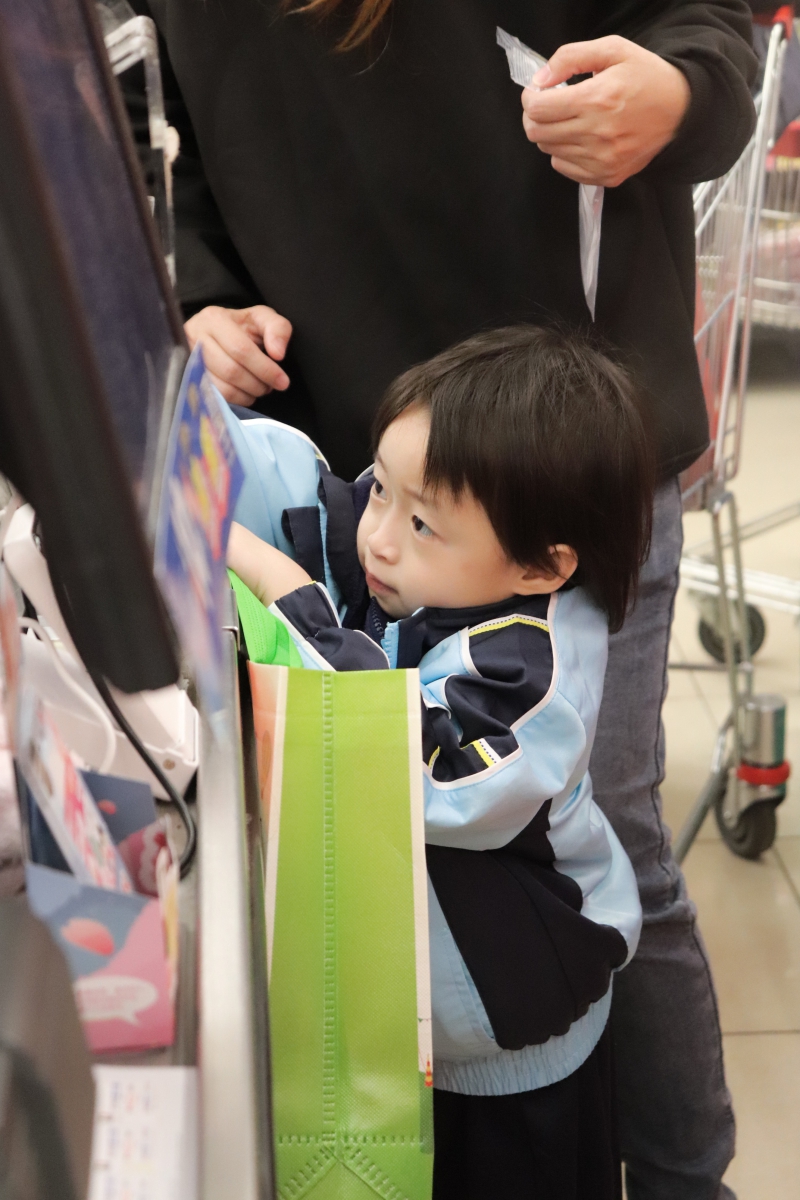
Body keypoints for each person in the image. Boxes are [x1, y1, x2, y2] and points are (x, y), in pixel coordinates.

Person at [137, 2, 757, 1193]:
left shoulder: (527, 658)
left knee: (610, 835)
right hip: (333, 407)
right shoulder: (360, 512)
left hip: (557, 453)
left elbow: (405, 751)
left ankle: (685, 1174)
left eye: (407, 518)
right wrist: (196, 307)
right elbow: (146, 118)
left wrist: (673, 94)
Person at [226, 325, 655, 1200]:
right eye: (382, 488)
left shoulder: (533, 680)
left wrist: (285, 590)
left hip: (513, 1047)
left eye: (420, 522)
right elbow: (297, 484)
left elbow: (396, 757)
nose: (379, 538)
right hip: (428, 1028)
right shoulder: (425, 554)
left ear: (541, 565)